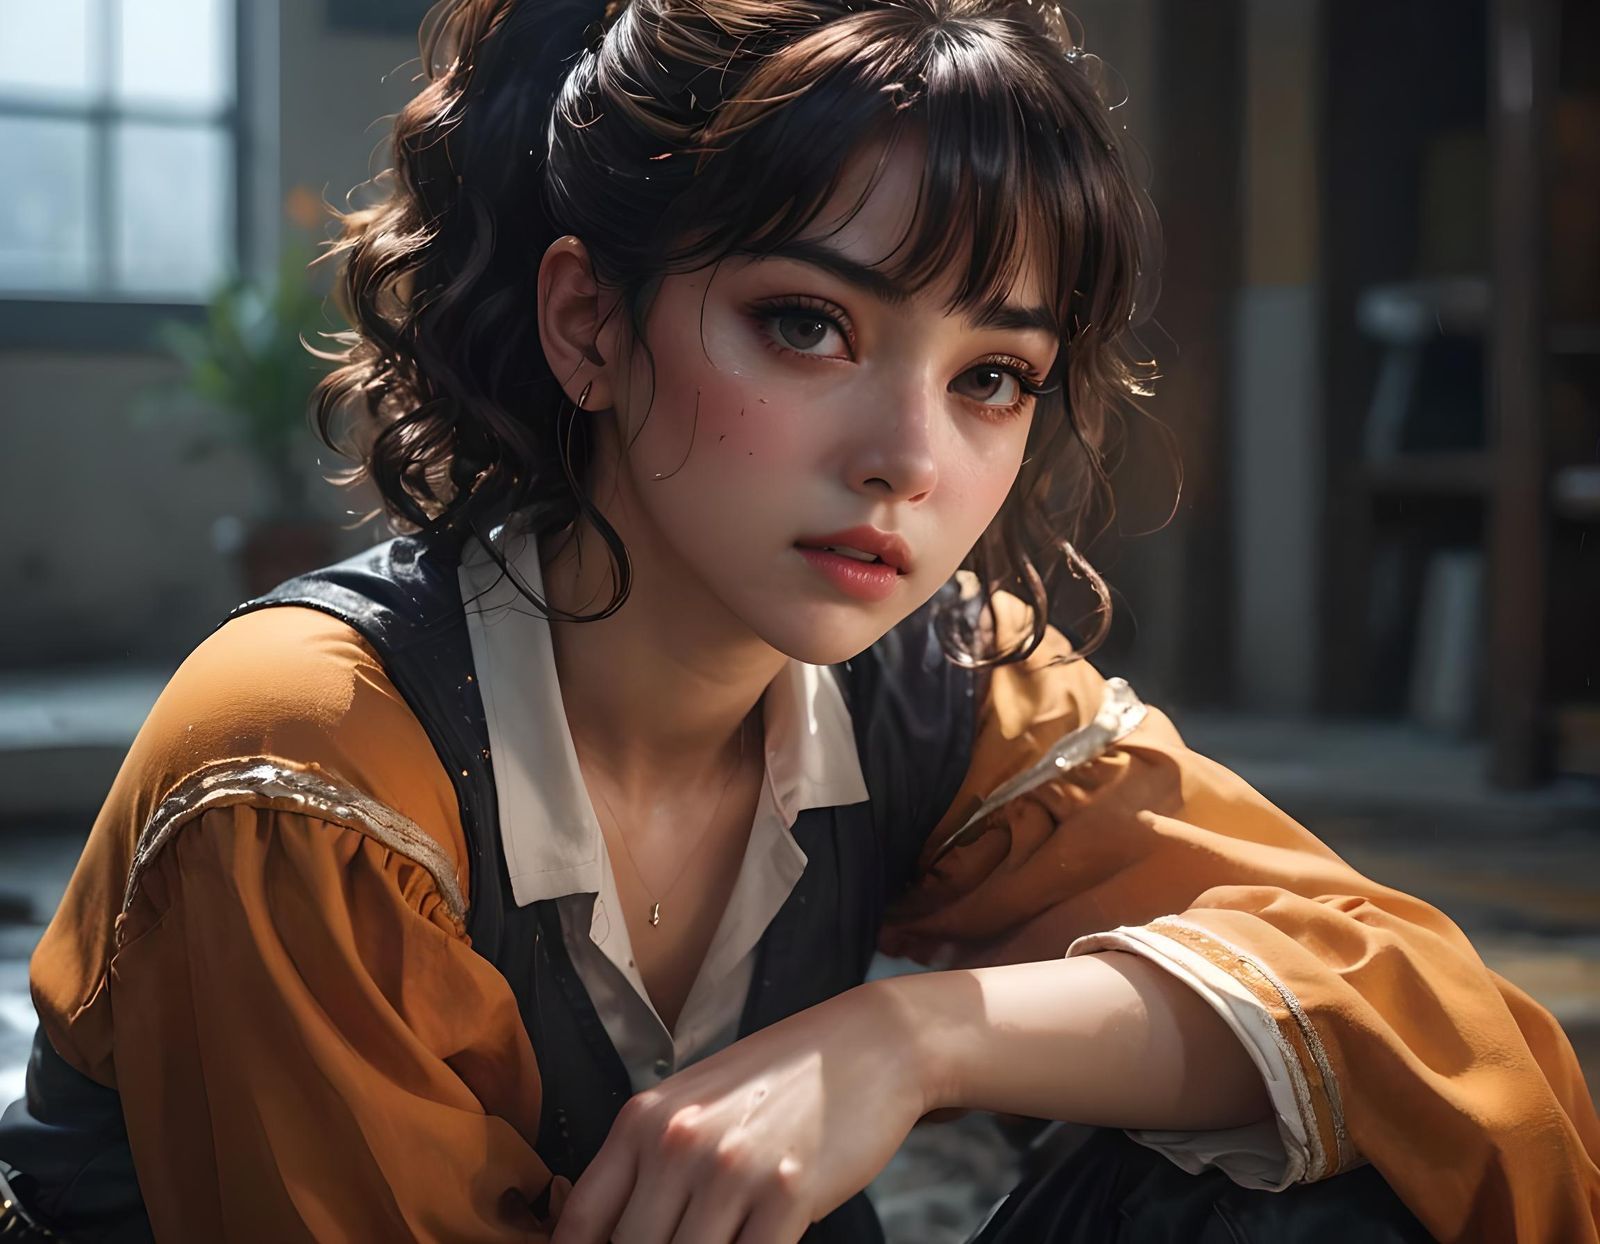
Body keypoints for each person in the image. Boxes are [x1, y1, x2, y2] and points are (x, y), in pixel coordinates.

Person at [2, 0, 1597, 1240]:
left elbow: (1416, 1013)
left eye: (993, 375)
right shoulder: (306, 759)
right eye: (808, 325)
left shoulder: (941, 682)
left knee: (1335, 1178)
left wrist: (910, 1038)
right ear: (589, 323)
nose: (910, 459)